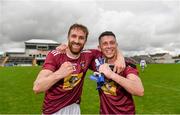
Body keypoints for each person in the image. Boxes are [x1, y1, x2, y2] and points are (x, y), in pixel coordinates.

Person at [33, 24, 125, 115]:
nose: (77, 41)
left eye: (81, 38)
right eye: (74, 36)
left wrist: (120, 57)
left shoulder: (88, 55)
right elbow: (37, 87)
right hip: (53, 110)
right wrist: (59, 73)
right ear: (68, 37)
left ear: (85, 41)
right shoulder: (55, 55)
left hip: (74, 107)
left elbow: (109, 48)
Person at [95, 31, 144, 114]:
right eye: (105, 44)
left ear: (116, 45)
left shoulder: (126, 66)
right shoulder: (98, 63)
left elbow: (139, 90)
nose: (109, 46)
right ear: (99, 47)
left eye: (112, 43)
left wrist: (112, 75)